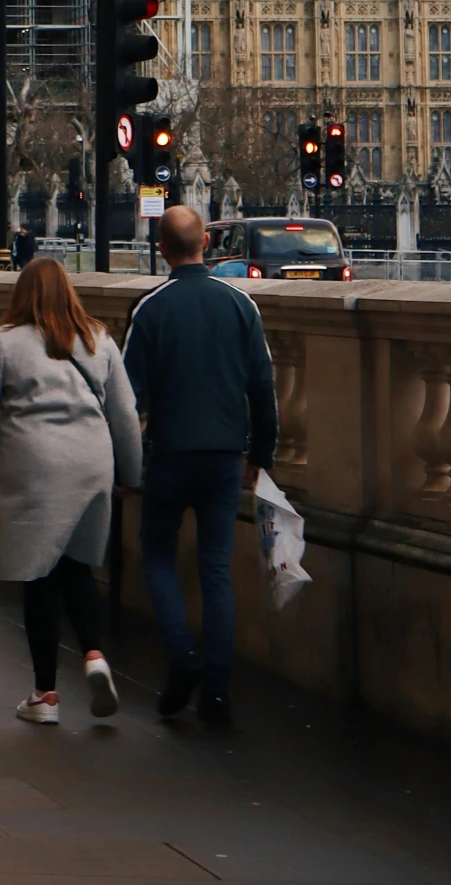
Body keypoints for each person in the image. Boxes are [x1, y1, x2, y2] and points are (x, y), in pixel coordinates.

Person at [0, 256, 141, 725]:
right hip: (92, 464)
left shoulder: (4, 343)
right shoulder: (99, 339)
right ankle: (94, 654)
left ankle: (45, 695)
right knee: (76, 568)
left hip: (35, 466)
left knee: (39, 577)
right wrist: (132, 477)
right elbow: (126, 416)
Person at [123, 204, 277, 727]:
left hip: (168, 453)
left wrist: (123, 464)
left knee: (158, 556)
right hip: (224, 457)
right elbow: (263, 389)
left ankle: (181, 654)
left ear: (161, 249)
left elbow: (128, 401)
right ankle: (216, 690)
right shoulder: (241, 305)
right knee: (216, 570)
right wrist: (261, 455)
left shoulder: (150, 309)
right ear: (206, 245)